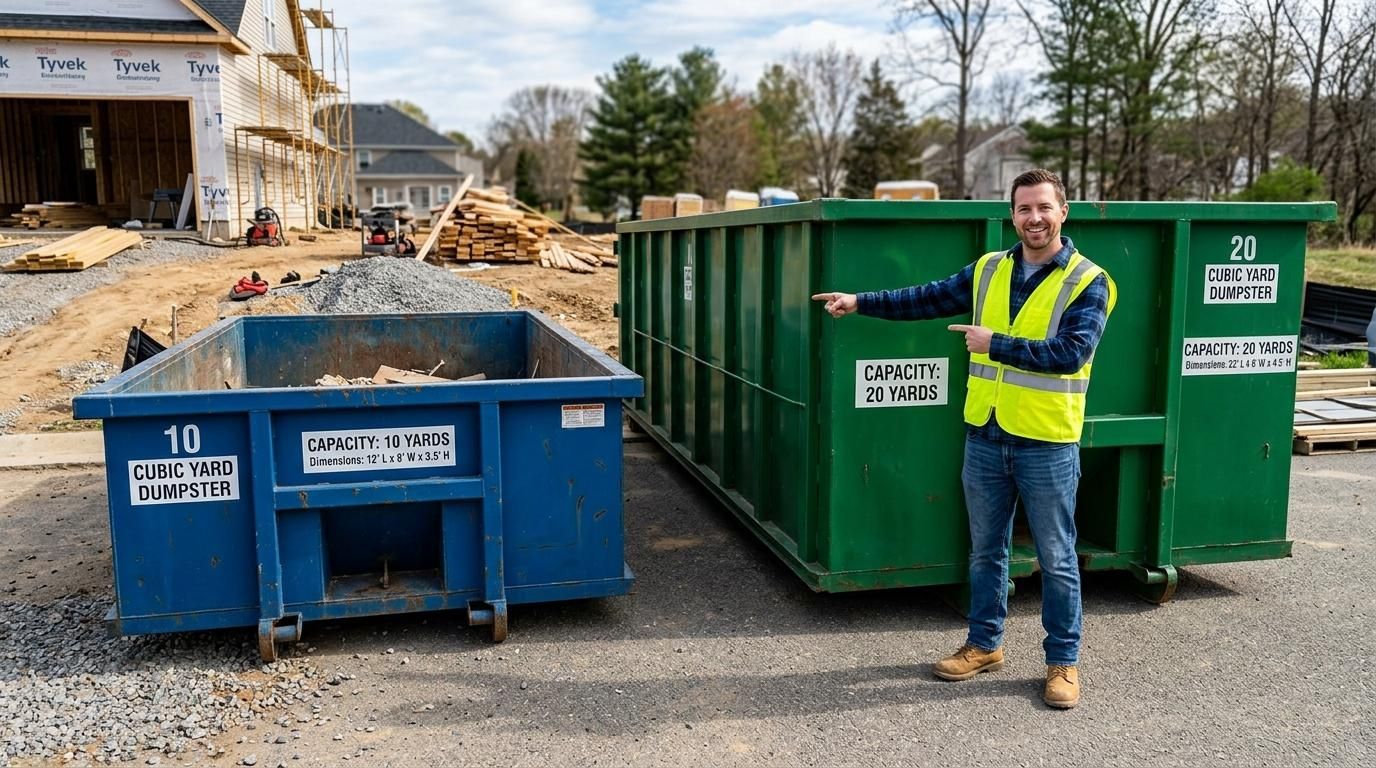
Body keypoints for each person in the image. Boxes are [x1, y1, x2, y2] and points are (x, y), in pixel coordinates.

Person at [811, 168, 1116, 709]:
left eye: (1044, 208)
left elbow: (1071, 353)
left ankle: (1063, 663)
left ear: (1064, 212)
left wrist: (993, 343)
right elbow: (926, 298)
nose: (1034, 219)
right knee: (986, 552)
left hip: (1046, 441)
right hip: (986, 435)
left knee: (1057, 557)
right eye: (1024, 209)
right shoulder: (989, 269)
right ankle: (984, 645)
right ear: (1012, 216)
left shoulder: (1089, 281)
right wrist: (861, 301)